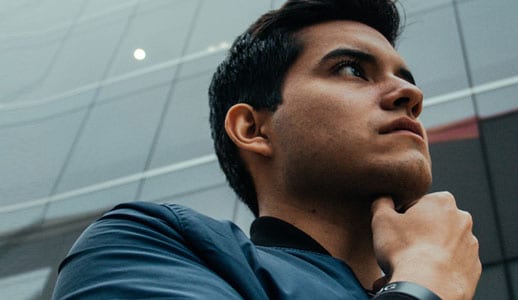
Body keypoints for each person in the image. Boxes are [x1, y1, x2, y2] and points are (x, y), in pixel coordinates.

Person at [52, 0, 481, 299]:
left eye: (405, 77)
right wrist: (424, 281)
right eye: (352, 69)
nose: (409, 93)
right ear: (253, 128)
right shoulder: (147, 244)